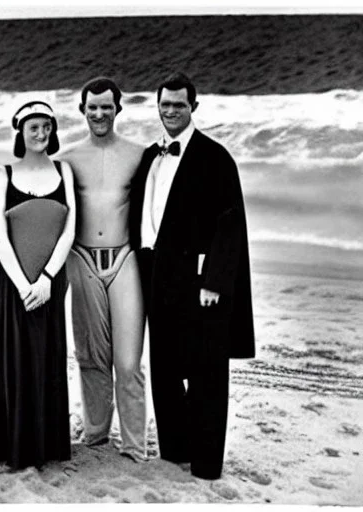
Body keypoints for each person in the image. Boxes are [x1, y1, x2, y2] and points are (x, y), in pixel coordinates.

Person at [129, 72, 255, 480]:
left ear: (193, 108)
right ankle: (174, 452)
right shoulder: (151, 155)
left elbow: (230, 223)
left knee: (206, 372)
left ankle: (205, 465)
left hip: (198, 279)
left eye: (179, 105)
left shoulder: (216, 158)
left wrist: (215, 282)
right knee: (164, 366)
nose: (170, 112)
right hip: (154, 271)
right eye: (164, 105)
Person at [59, 77, 147, 462]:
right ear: (82, 110)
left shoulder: (140, 154)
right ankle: (95, 433)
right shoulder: (66, 157)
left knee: (127, 362)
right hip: (82, 259)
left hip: (124, 258)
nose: (99, 114)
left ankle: (134, 443)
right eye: (92, 107)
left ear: (118, 110)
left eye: (106, 107)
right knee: (91, 356)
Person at [0, 100, 75, 471]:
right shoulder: (4, 174)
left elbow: (71, 227)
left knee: (47, 359)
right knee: (15, 361)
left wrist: (47, 279)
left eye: (46, 127)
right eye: (33, 128)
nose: (41, 134)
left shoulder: (64, 170)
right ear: (20, 132)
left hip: (51, 283)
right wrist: (24, 284)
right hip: (12, 286)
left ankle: (49, 444)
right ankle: (17, 446)